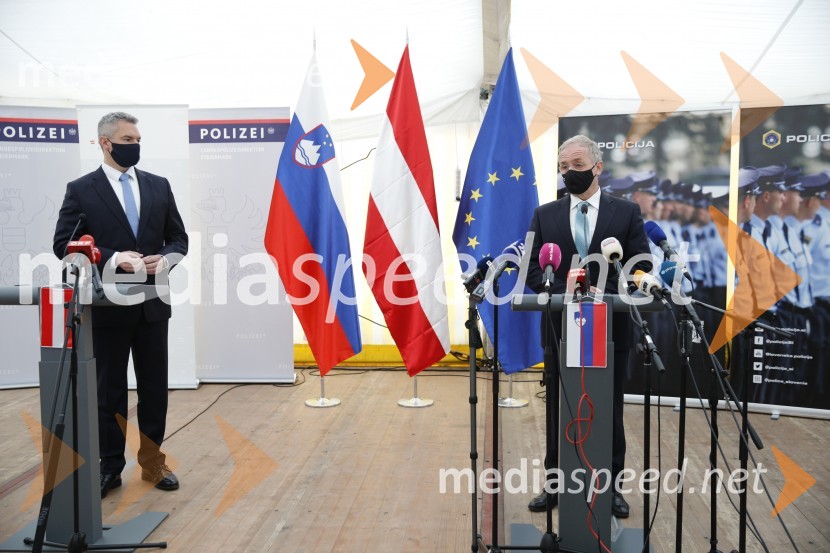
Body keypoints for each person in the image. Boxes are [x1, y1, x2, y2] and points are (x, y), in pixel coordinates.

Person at [53, 111, 188, 498]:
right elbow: (64, 244)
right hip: (107, 305)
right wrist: (113, 257)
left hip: (152, 304)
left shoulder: (159, 186)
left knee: (153, 387)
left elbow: (179, 239)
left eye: (138, 139)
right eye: (128, 140)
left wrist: (165, 260)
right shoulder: (81, 189)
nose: (136, 146)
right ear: (105, 143)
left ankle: (152, 463)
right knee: (109, 390)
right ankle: (110, 466)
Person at [525, 135, 651, 518]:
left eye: (577, 166)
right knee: (558, 409)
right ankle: (555, 483)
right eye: (563, 168)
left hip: (610, 329)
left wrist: (604, 289)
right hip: (561, 327)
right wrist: (560, 286)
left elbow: (641, 265)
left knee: (609, 408)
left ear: (598, 167)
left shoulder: (626, 212)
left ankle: (610, 488)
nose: (569, 174)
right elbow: (533, 269)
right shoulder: (545, 214)